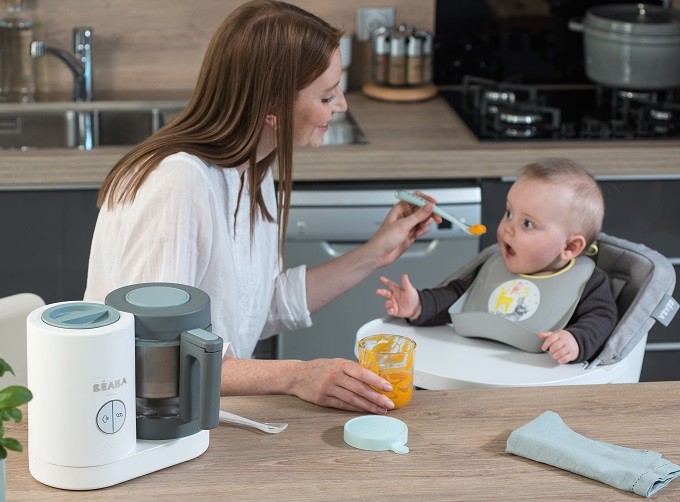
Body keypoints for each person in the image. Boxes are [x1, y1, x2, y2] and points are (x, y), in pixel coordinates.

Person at [84, 0, 440, 415]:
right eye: (326, 95)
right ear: (272, 107)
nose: (341, 105)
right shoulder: (179, 183)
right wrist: (297, 376)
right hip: (135, 426)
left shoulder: (252, 167)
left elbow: (262, 305)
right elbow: (158, 360)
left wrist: (377, 252)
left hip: (199, 417)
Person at [376, 158, 618, 364]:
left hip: (536, 381)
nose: (507, 228)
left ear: (570, 247)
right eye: (509, 213)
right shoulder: (494, 264)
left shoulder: (586, 282)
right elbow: (457, 296)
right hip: (477, 368)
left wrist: (575, 340)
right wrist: (418, 304)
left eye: (528, 224)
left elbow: (602, 319)